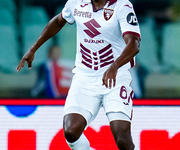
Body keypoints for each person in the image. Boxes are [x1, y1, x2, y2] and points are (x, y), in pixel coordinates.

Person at [17, 0, 141, 149]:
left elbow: (134, 43)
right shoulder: (75, 2)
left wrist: (114, 66)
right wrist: (33, 48)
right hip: (84, 77)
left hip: (115, 77)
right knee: (70, 131)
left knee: (122, 138)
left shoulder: (122, 5)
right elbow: (58, 21)